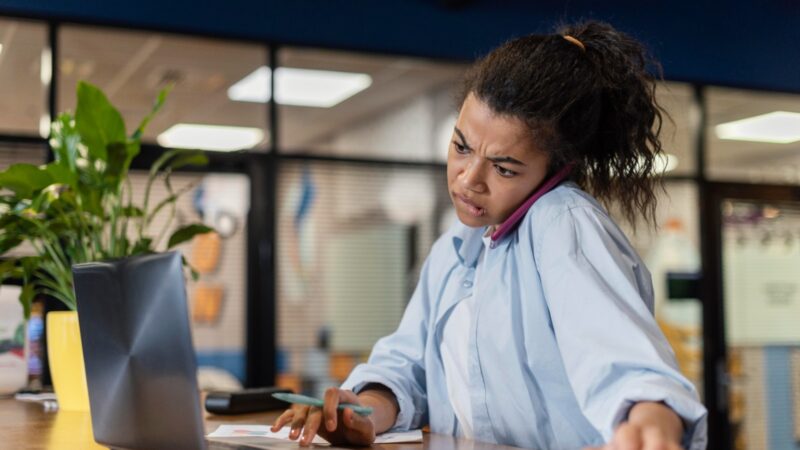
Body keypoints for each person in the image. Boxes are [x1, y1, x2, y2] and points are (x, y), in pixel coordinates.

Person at [272, 21, 707, 450]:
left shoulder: (561, 220)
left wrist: (652, 416)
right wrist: (363, 412)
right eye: (461, 147)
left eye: (503, 167)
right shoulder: (453, 250)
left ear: (557, 170)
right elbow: (408, 368)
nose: (468, 180)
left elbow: (623, 360)